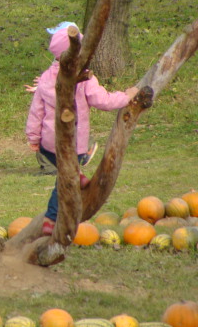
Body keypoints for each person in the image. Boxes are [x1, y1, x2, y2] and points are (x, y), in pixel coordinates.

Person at [25, 27, 139, 235]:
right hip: (73, 143)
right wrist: (127, 95)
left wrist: (33, 138)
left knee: (67, 171)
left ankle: (76, 174)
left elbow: (36, 111)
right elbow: (102, 100)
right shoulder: (83, 78)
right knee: (64, 180)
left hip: (49, 143)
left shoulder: (45, 78)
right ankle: (51, 218)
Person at [24, 22, 98, 174]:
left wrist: (33, 136)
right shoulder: (58, 69)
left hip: (60, 130)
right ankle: (53, 167)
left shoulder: (80, 73)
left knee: (52, 139)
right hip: (58, 131)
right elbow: (52, 84)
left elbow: (37, 111)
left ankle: (60, 165)